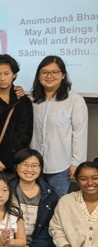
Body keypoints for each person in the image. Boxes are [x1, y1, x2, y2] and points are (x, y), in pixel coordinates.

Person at [30, 55, 88, 198]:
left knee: (56, 209)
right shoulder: (32, 99)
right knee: (35, 207)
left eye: (55, 72)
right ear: (38, 76)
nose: (49, 76)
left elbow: (79, 134)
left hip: (61, 167)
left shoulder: (75, 100)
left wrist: (76, 163)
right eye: (44, 72)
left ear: (63, 75)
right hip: (33, 165)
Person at [49, 161, 98, 247]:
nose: (90, 183)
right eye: (83, 179)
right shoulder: (66, 201)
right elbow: (56, 231)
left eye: (95, 178)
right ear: (76, 181)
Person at [10, 148, 58, 247]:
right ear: (16, 167)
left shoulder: (49, 194)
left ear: (40, 168)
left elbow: (51, 227)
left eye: (34, 165)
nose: (29, 169)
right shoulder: (6, 189)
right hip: (11, 244)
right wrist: (15, 245)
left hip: (36, 245)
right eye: (24, 165)